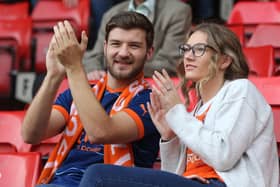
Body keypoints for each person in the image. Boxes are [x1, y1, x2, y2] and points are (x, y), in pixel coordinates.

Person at [78, 22, 279, 187]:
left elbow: (223, 156)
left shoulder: (241, 90)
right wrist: (169, 138)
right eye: (186, 49)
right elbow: (173, 175)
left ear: (224, 61)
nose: (188, 56)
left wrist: (177, 112)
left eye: (199, 49)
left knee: (99, 177)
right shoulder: (196, 110)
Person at [21, 11, 160, 186]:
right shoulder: (80, 92)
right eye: (116, 44)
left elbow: (101, 132)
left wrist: (74, 67)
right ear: (105, 47)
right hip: (58, 183)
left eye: (134, 46)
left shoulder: (150, 100)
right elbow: (31, 135)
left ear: (149, 53)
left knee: (96, 173)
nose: (123, 53)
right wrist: (53, 76)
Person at [83, 0, 192, 80]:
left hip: (151, 87)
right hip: (111, 84)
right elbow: (95, 56)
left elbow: (169, 63)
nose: (123, 53)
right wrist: (94, 70)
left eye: (134, 45)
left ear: (150, 51)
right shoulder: (111, 13)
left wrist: (121, 68)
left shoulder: (178, 11)